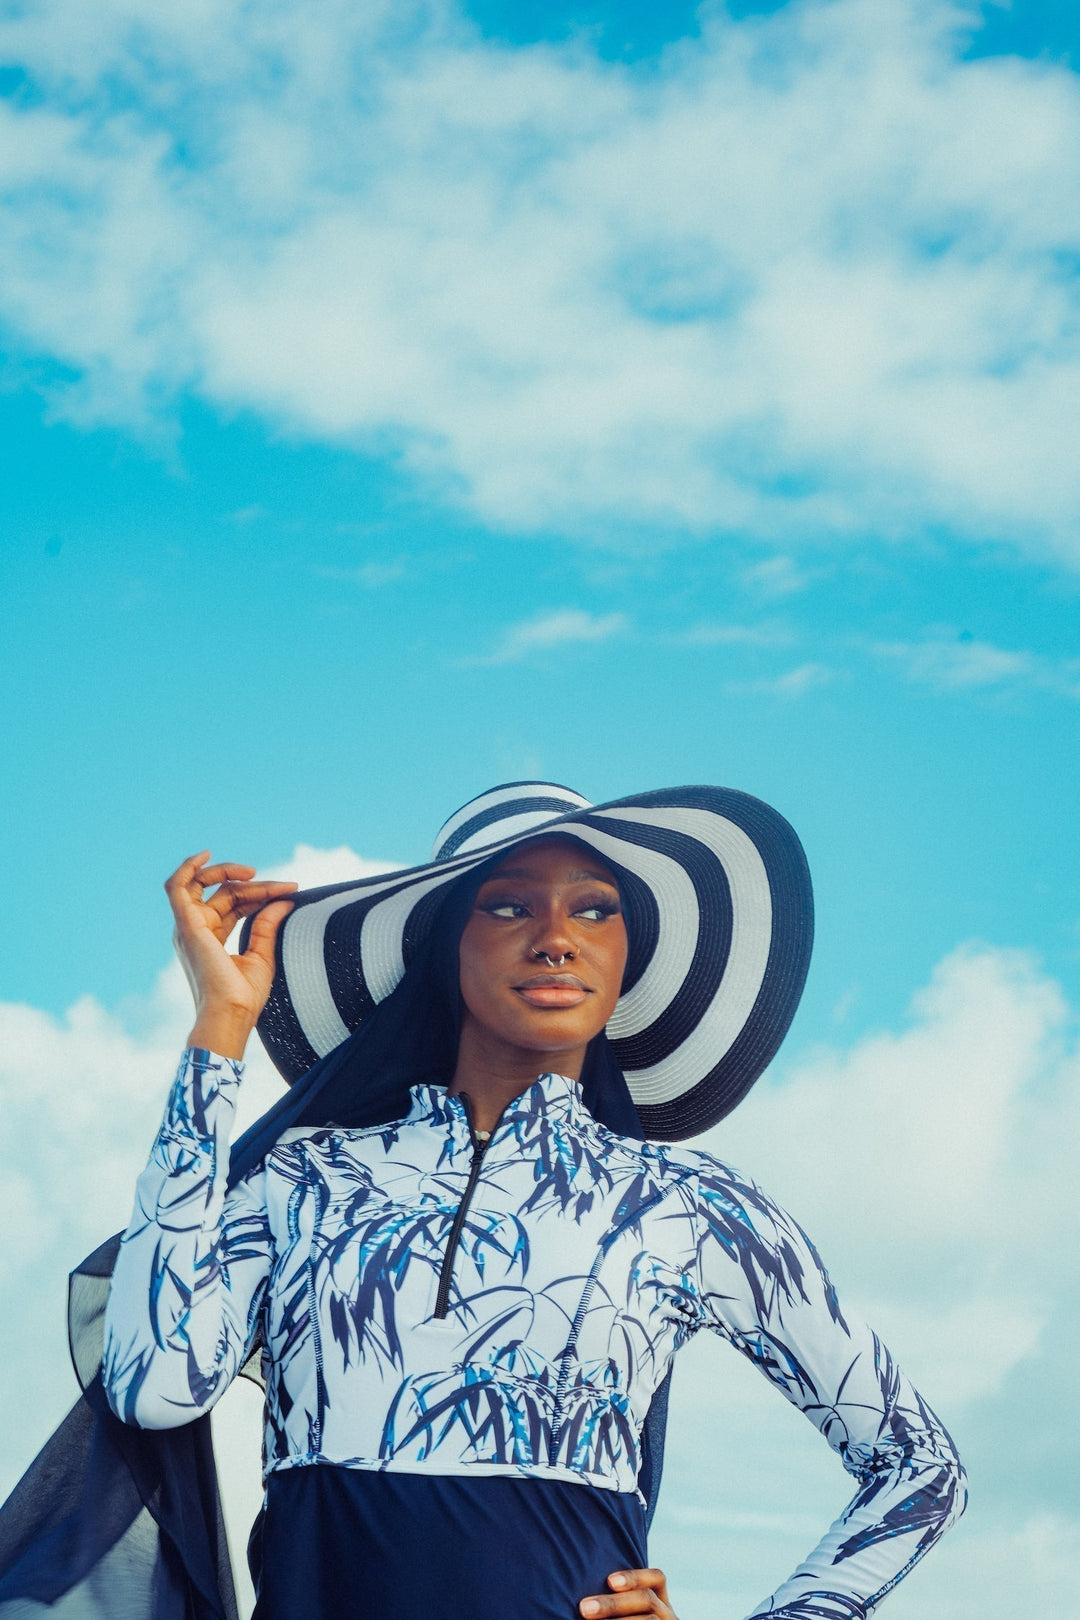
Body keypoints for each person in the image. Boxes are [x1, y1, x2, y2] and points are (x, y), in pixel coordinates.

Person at [2, 782, 966, 1620]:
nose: (555, 939)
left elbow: (920, 1466)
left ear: (630, 953)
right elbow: (152, 1384)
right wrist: (218, 1030)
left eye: (595, 911)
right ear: (443, 949)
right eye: (508, 908)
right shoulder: (308, 1179)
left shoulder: (690, 1206)